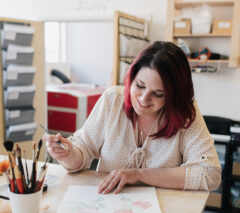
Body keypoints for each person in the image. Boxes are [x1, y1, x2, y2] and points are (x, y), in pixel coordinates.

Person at [43, 41, 221, 194]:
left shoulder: (184, 112)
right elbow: (84, 150)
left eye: (158, 94)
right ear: (131, 77)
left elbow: (210, 173)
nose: (144, 99)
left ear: (173, 97)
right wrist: (68, 155)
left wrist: (139, 174)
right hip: (108, 205)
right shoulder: (112, 100)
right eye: (140, 85)